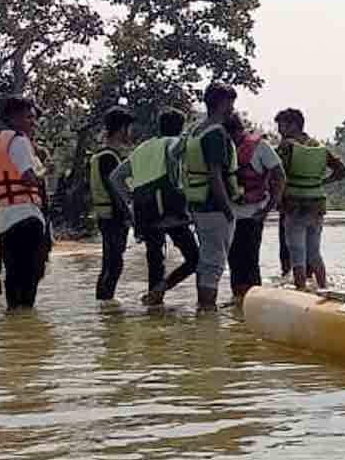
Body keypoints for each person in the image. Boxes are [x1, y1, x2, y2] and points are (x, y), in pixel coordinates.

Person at [109, 108, 199, 306]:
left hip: (143, 210)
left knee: (155, 260)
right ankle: (162, 289)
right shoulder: (174, 142)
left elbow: (115, 177)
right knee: (195, 259)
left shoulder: (142, 148)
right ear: (180, 127)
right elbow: (174, 155)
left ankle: (154, 303)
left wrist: (130, 198)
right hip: (167, 205)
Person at [0, 96, 50, 310]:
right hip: (27, 216)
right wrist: (45, 169)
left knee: (14, 276)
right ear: (13, 118)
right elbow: (29, 177)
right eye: (29, 117)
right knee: (31, 275)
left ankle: (15, 323)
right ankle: (25, 327)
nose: (34, 122)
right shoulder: (19, 141)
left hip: (5, 218)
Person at [275, 107, 345, 290]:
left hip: (294, 206)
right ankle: (324, 288)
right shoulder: (319, 146)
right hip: (316, 205)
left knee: (296, 253)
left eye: (281, 126)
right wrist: (321, 182)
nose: (279, 131)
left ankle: (300, 290)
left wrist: (274, 199)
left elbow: (276, 174)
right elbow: (343, 171)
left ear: (293, 125)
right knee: (314, 252)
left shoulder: (286, 147)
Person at [186, 83, 242, 310]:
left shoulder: (196, 130)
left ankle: (205, 308)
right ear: (221, 103)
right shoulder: (216, 133)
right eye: (230, 102)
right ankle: (207, 311)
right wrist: (228, 210)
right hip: (215, 206)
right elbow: (215, 174)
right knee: (214, 264)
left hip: (199, 205)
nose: (232, 108)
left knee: (207, 261)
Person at [225, 113, 285, 300]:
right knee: (234, 263)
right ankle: (238, 306)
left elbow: (280, 176)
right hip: (229, 215)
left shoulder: (260, 147)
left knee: (250, 261)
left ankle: (252, 305)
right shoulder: (221, 147)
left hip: (253, 214)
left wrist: (268, 208)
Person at [89, 107, 135, 300]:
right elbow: (114, 191)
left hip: (104, 215)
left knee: (110, 263)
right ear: (123, 129)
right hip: (113, 217)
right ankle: (106, 305)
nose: (130, 133)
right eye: (129, 128)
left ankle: (104, 308)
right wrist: (129, 217)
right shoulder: (109, 157)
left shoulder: (98, 155)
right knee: (114, 264)